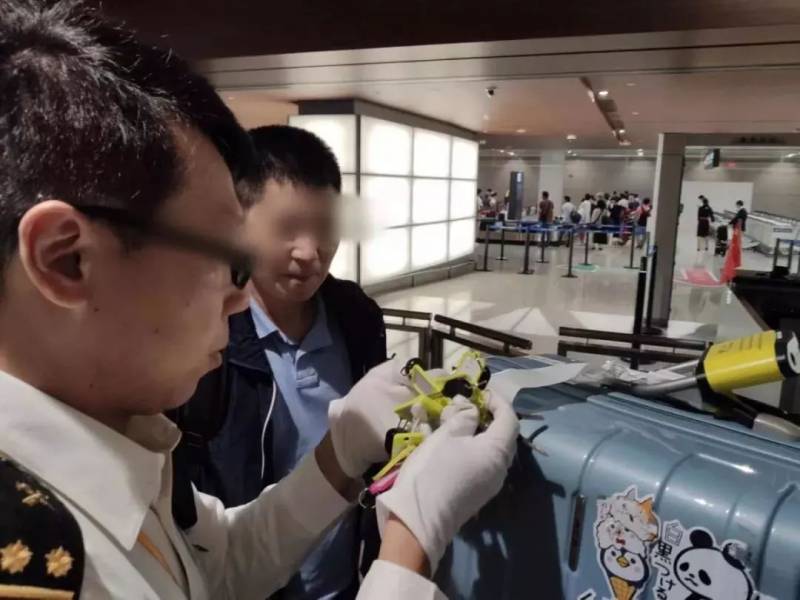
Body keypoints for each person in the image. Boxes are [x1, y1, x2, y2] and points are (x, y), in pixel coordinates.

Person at [0, 3, 519, 599]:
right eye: (222, 253)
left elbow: (222, 565)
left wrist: (339, 452)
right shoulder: (32, 564)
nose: (238, 293)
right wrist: (412, 542)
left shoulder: (130, 447)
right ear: (68, 259)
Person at [170, 125, 385, 599]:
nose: (310, 253)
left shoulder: (357, 317)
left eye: (325, 230)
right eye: (286, 229)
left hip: (347, 579)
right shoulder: (204, 336)